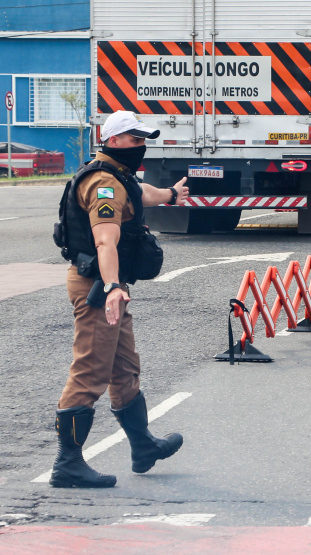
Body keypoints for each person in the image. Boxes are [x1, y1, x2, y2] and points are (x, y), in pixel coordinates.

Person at [51, 110, 190, 488]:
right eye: (134, 139)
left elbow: (143, 194)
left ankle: (143, 446)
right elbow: (105, 240)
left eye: (143, 139)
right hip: (98, 287)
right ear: (113, 141)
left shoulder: (119, 176)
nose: (140, 146)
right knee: (90, 371)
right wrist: (113, 287)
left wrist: (172, 195)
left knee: (124, 367)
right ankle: (68, 464)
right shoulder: (103, 185)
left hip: (111, 287)